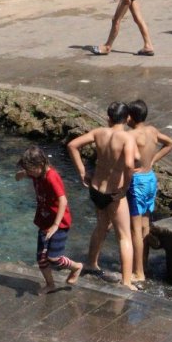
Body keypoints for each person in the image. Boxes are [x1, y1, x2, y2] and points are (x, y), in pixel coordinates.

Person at [67, 101, 139, 291]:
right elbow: (130, 165)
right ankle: (126, 282)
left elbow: (73, 145)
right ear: (127, 118)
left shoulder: (99, 132)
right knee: (124, 237)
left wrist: (83, 172)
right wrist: (125, 187)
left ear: (108, 117)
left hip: (96, 190)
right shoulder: (126, 138)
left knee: (101, 226)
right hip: (114, 193)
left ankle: (91, 263)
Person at [16, 146, 83, 294]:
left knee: (54, 258)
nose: (30, 173)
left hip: (59, 223)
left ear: (40, 165)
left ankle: (76, 267)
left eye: (30, 170)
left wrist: (55, 225)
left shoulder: (52, 177)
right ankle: (50, 284)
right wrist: (22, 174)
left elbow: (63, 201)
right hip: (45, 221)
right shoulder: (36, 174)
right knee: (41, 258)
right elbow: (28, 173)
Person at [126, 99, 172, 282]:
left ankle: (138, 272)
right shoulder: (152, 131)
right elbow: (171, 143)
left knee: (135, 229)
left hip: (137, 182)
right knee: (145, 225)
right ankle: (143, 265)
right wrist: (153, 160)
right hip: (150, 178)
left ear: (130, 117)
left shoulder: (132, 136)